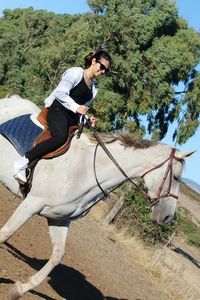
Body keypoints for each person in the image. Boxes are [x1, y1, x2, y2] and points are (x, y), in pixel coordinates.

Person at [13, 50, 112, 183]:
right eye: (102, 67)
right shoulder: (76, 72)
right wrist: (77, 107)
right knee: (60, 137)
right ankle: (22, 162)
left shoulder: (93, 90)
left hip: (72, 119)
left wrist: (87, 119)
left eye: (106, 70)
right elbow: (60, 93)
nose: (103, 71)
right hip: (58, 110)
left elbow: (81, 110)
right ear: (94, 61)